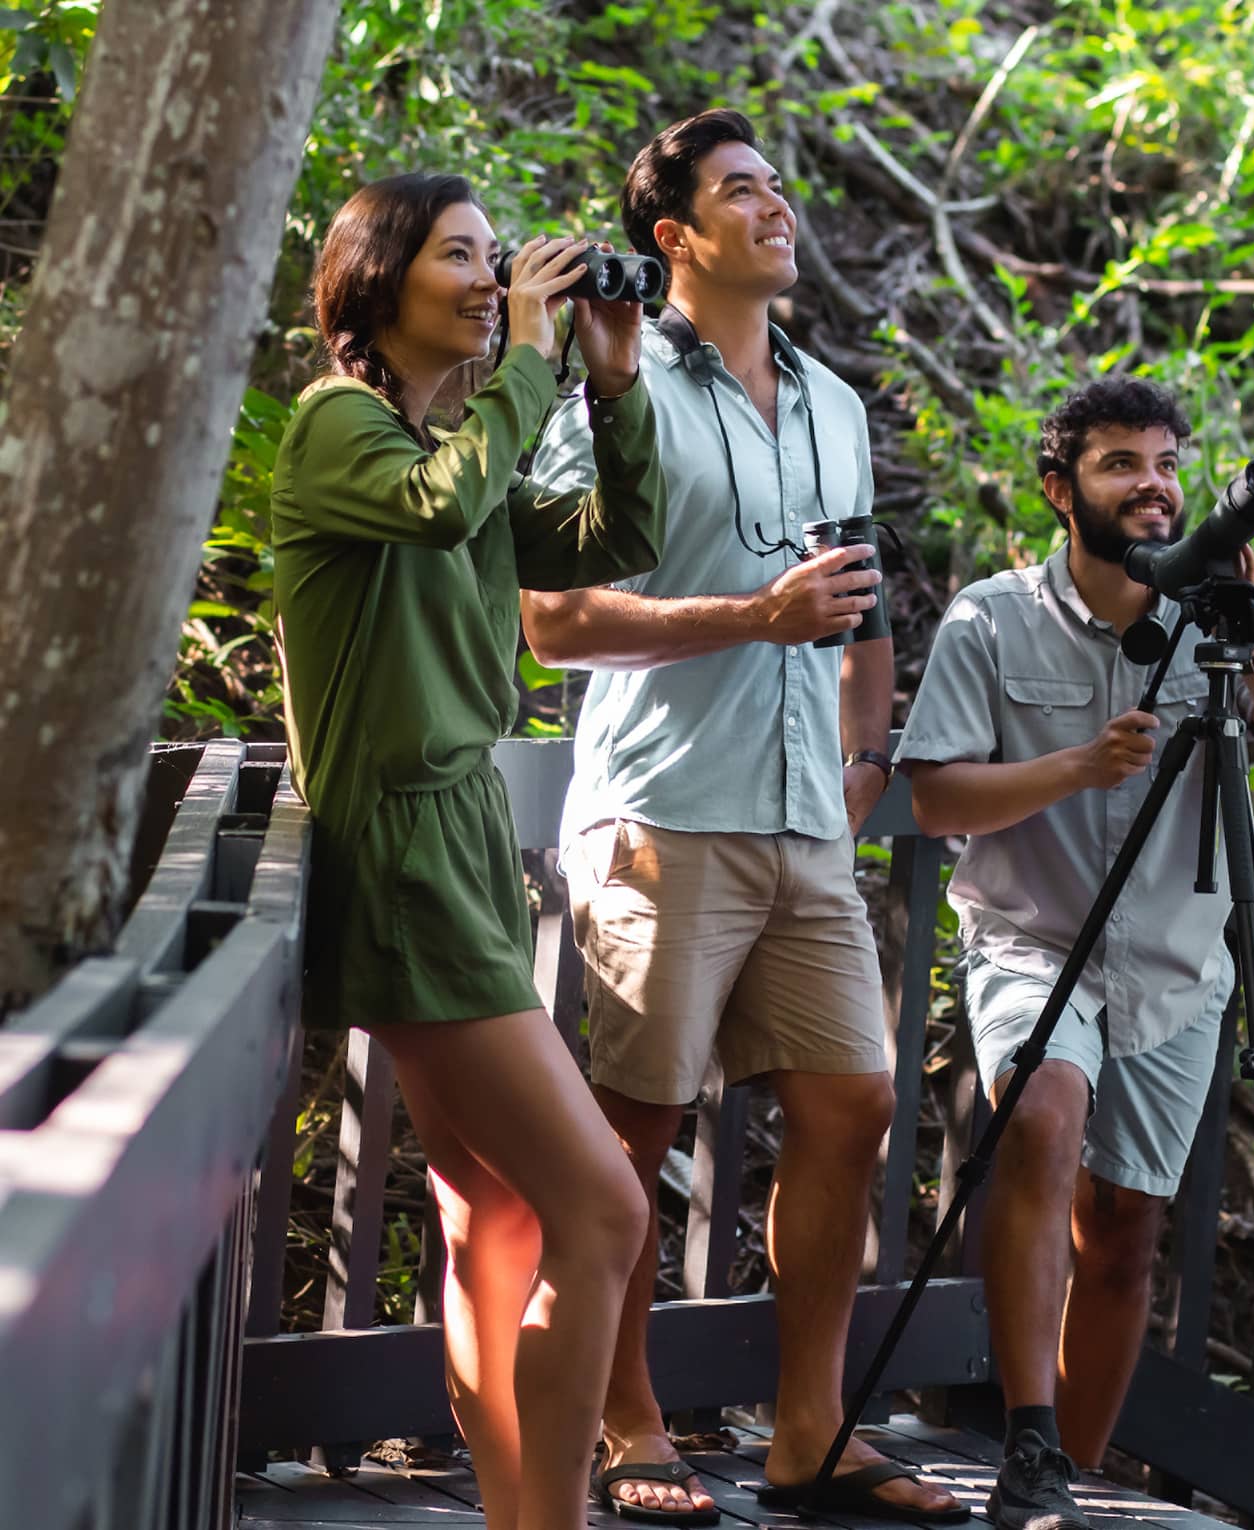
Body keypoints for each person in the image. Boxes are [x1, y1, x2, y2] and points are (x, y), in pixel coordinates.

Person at [521, 111, 965, 1526]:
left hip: (805, 821)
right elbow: (553, 621)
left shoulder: (835, 402)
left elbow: (865, 598)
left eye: (777, 185)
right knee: (630, 1139)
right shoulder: (614, 381)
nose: (775, 207)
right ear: (674, 236)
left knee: (853, 1103)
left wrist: (863, 750)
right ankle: (626, 1418)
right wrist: (748, 617)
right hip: (663, 813)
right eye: (740, 192)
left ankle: (807, 1433)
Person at [270, 172, 668, 1530]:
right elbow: (441, 506)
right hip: (403, 854)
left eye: (501, 259)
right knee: (602, 1211)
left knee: (490, 1210)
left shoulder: (456, 442)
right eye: (461, 257)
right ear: (377, 285)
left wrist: (612, 390)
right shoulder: (342, 425)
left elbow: (622, 536)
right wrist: (536, 368)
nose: (494, 282)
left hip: (462, 845)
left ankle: (514, 1509)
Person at [895, 378, 1254, 1530]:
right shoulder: (989, 620)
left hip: (1177, 968)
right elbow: (937, 795)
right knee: (1042, 1113)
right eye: (1119, 463)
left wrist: (1246, 633)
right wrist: (1073, 770)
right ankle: (1029, 1441)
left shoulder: (1222, 607)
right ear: (1061, 489)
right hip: (1033, 939)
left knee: (1125, 1235)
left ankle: (1070, 1481)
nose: (1153, 484)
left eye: (1165, 461)